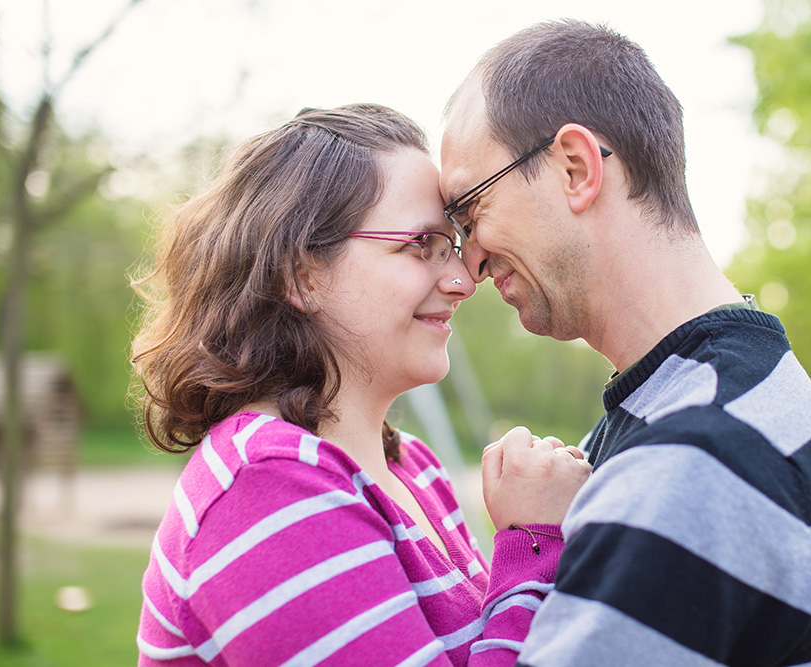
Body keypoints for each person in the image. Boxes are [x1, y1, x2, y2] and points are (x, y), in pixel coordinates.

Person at [440, 20, 811, 667]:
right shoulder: (720, 393)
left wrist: (530, 541)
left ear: (576, 168)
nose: (467, 264)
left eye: (470, 212)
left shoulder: (695, 461)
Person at [130, 104, 591, 666]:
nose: (463, 281)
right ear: (300, 275)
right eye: (420, 245)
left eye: (453, 246)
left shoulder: (414, 468)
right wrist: (535, 539)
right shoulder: (267, 490)